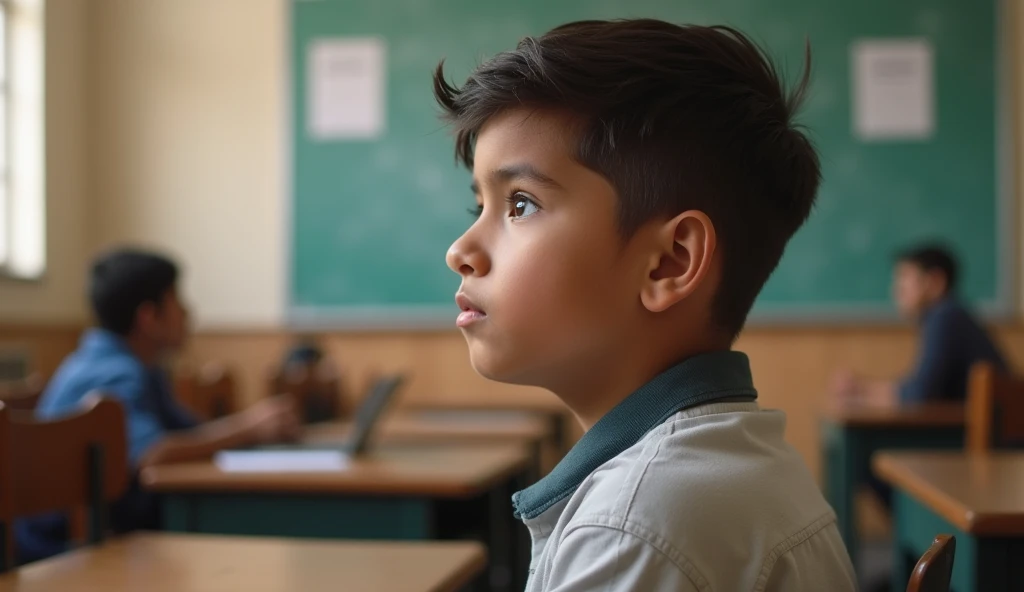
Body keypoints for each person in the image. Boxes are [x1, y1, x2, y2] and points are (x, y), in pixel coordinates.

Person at [436, 19, 856, 591]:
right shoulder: (731, 460)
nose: (460, 251)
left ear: (669, 264)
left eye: (521, 205)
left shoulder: (631, 531)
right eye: (478, 206)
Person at [15, 249, 300, 563]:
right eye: (178, 301)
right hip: (62, 552)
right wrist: (248, 429)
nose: (189, 312)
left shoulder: (141, 367)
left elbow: (191, 434)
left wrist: (251, 427)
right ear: (149, 317)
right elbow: (150, 454)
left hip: (102, 534)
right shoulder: (111, 371)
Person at [832, 243, 1008, 406]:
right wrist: (863, 389)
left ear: (935, 282)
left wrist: (863, 390)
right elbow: (918, 387)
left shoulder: (945, 316)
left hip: (997, 437)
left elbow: (920, 394)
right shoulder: (948, 314)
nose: (897, 289)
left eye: (905, 278)